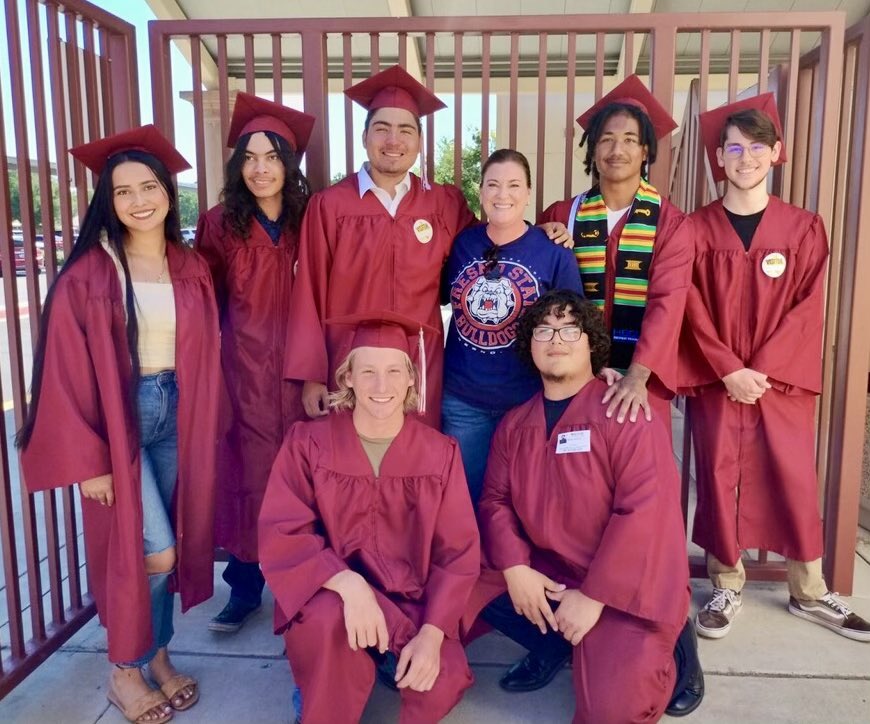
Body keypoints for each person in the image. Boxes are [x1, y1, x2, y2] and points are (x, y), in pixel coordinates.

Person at [17, 126, 222, 723]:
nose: (138, 200)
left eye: (149, 186)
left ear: (167, 192)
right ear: (108, 201)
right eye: (123, 191)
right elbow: (63, 372)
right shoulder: (89, 274)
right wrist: (90, 461)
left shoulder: (190, 264)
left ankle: (158, 655)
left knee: (171, 545)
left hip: (176, 410)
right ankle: (124, 669)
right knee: (153, 553)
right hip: (119, 418)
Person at [681, 95, 870, 642]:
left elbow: (809, 306)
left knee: (792, 478)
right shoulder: (694, 229)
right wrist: (726, 367)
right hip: (720, 382)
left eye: (757, 146)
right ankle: (726, 583)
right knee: (717, 478)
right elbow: (688, 303)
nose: (745, 157)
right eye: (734, 148)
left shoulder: (804, 227)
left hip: (779, 380)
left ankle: (809, 591)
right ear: (719, 157)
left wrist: (759, 369)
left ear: (776, 153)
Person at [464, 289, 703, 722]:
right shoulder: (516, 424)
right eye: (544, 329)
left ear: (591, 342)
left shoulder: (625, 411)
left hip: (623, 589)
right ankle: (555, 643)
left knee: (612, 710)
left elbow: (645, 513)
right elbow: (495, 501)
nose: (556, 338)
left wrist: (593, 597)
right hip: (551, 571)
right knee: (458, 575)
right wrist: (516, 568)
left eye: (569, 329)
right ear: (530, 345)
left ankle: (674, 643)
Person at [259, 312, 480, 724]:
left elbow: (458, 554)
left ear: (413, 378)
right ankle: (321, 688)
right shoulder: (309, 444)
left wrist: (433, 634)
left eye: (395, 371)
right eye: (368, 372)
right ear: (347, 378)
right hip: (332, 595)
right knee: (329, 627)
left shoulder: (439, 453)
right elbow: (283, 529)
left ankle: (383, 655)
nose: (382, 386)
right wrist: (348, 583)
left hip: (410, 603)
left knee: (440, 680)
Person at [195, 92, 315, 634]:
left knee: (306, 478)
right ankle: (244, 589)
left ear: (289, 166)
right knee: (248, 477)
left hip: (302, 370)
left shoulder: (313, 216)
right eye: (249, 157)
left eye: (272, 157)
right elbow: (201, 296)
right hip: (243, 372)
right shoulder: (219, 223)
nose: (260, 168)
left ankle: (310, 585)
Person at [538, 75, 693, 427]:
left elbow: (668, 302)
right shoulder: (564, 214)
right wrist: (538, 235)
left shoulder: (671, 223)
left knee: (637, 472)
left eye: (629, 140)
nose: (616, 149)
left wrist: (637, 375)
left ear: (645, 150)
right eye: (606, 139)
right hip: (571, 377)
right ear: (593, 149)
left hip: (641, 378)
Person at [441, 148, 583, 503]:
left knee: (521, 501)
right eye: (493, 184)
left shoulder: (553, 251)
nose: (502, 194)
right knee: (464, 501)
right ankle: (471, 562)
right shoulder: (461, 243)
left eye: (514, 185)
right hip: (463, 400)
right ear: (481, 190)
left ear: (529, 193)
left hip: (527, 400)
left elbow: (573, 330)